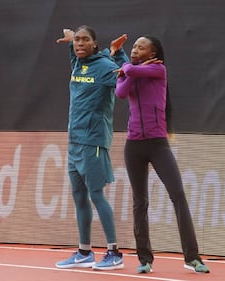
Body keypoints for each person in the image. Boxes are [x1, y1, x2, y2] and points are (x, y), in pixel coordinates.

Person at [115, 36, 210, 274]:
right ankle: (144, 259)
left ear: (153, 52)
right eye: (134, 46)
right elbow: (120, 93)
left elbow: (129, 70)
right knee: (140, 202)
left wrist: (127, 66)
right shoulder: (133, 74)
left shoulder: (159, 69)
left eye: (140, 47)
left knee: (178, 194)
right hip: (133, 145)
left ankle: (192, 257)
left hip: (158, 145)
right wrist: (129, 70)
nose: (135, 49)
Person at [54, 25, 129, 271]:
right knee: (79, 197)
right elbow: (74, 49)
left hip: (94, 141)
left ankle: (114, 252)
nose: (79, 44)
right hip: (74, 143)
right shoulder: (77, 62)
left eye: (85, 40)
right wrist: (70, 38)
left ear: (96, 44)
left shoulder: (106, 67)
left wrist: (119, 55)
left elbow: (127, 78)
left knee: (96, 195)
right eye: (77, 41)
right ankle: (84, 252)